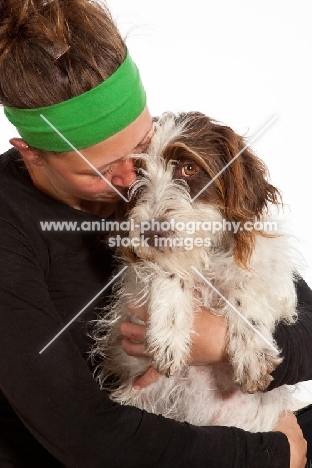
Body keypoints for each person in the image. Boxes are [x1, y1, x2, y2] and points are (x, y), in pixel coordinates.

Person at [0, 0, 310, 466]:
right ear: (31, 154)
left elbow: (306, 324)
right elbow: (83, 434)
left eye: (142, 149)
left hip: (238, 423)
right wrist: (270, 455)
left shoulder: (166, 169)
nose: (134, 184)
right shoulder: (9, 231)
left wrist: (222, 341)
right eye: (103, 170)